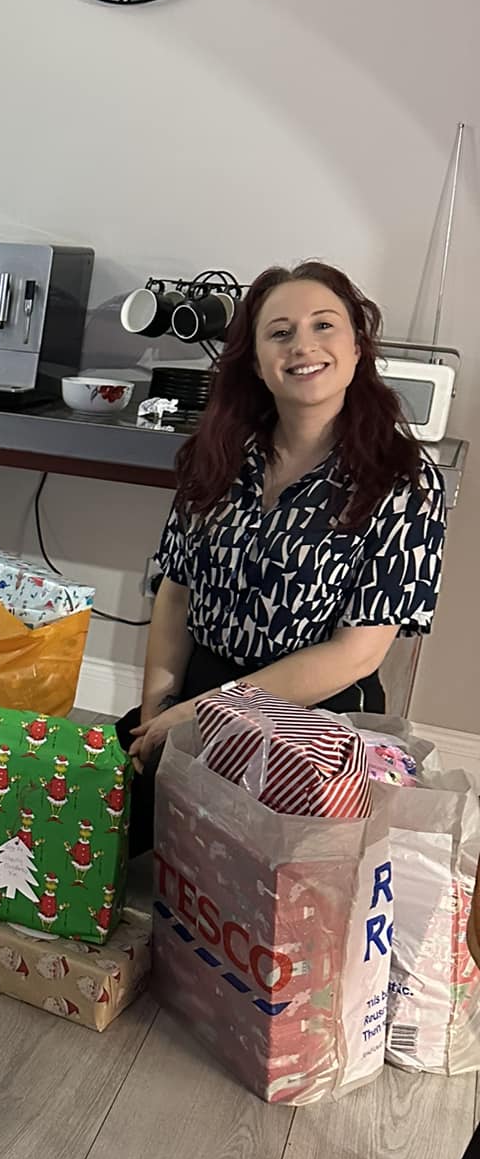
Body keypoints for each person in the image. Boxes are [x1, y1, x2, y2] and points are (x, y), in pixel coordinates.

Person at [120, 259, 446, 853]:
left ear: (355, 347)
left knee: (256, 897)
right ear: (256, 361)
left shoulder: (403, 479)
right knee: (94, 842)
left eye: (325, 326)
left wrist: (203, 717)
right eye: (280, 332)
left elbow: (357, 653)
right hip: (201, 687)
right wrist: (159, 711)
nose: (303, 346)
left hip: (313, 724)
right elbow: (176, 592)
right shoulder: (216, 455)